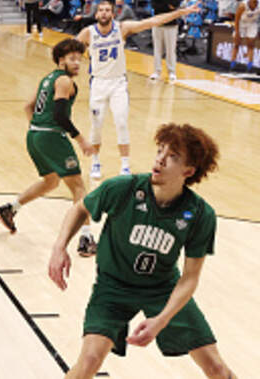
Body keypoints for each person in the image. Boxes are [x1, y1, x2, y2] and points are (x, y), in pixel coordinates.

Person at [48, 124, 232, 379]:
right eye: (160, 151)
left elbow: (190, 278)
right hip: (113, 287)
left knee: (217, 368)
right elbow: (80, 208)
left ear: (188, 171)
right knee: (89, 360)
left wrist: (162, 320)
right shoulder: (123, 189)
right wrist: (59, 247)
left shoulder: (200, 214)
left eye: (172, 156)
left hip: (162, 290)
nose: (160, 159)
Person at [0, 39, 98, 257]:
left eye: (79, 59)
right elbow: (59, 115)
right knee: (78, 187)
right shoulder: (64, 81)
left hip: (34, 135)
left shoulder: (47, 79)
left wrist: (38, 128)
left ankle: (10, 208)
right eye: (72, 59)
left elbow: (28, 106)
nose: (77, 63)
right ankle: (86, 239)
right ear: (61, 60)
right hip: (51, 136)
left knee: (51, 181)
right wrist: (81, 140)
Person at [77, 0, 200, 180]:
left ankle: (125, 165)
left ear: (113, 14)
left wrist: (181, 12)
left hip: (118, 83)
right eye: (101, 10)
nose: (104, 13)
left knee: (121, 122)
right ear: (96, 14)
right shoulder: (88, 33)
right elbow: (69, 51)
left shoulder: (122, 28)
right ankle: (95, 162)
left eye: (107, 10)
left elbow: (152, 21)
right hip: (98, 84)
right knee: (96, 125)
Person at [149, 0, 182, 82]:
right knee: (157, 49)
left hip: (171, 25)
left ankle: (172, 72)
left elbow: (175, 4)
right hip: (158, 23)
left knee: (170, 50)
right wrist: (168, 6)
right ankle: (157, 71)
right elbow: (154, 5)